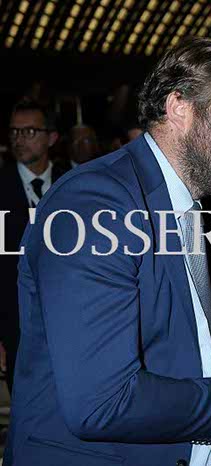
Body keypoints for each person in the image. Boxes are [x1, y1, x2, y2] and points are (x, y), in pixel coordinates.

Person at [5, 37, 211, 466]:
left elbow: (165, 349)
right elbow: (102, 402)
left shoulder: (181, 202)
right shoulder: (95, 204)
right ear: (180, 108)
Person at [0, 100, 68, 394]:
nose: (19, 139)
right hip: (15, 327)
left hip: (71, 322)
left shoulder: (76, 183)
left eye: (29, 131)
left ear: (51, 137)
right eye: (14, 132)